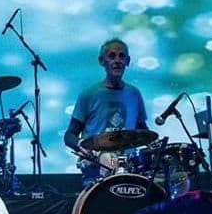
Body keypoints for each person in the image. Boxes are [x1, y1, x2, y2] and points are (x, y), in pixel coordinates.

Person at [64, 38, 151, 186]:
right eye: (111, 56)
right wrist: (81, 145)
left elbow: (142, 131)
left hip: (129, 168)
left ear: (128, 61)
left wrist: (154, 148)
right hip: (96, 168)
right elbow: (69, 135)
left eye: (121, 56)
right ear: (101, 61)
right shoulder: (89, 94)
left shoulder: (134, 94)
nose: (117, 60)